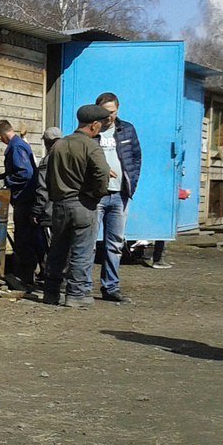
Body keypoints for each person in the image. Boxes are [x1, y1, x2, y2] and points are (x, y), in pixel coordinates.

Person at [43, 105, 111, 308]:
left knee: (57, 251)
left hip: (60, 205)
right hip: (83, 205)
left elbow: (48, 176)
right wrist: (96, 194)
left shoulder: (58, 145)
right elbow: (102, 172)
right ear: (95, 125)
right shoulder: (91, 146)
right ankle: (76, 295)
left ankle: (51, 293)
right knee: (81, 252)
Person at [93, 92, 142, 303]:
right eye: (104, 113)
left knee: (115, 244)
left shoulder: (127, 129)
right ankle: (83, 286)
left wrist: (131, 184)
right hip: (96, 196)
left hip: (120, 195)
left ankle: (111, 287)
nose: (108, 117)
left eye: (111, 112)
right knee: (89, 242)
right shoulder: (91, 130)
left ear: (118, 109)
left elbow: (136, 157)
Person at [0, 119, 41, 290]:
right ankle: (28, 275)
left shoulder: (16, 147)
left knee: (24, 239)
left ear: (0, 136)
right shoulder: (20, 144)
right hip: (25, 198)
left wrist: (5, 182)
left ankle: (25, 278)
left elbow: (25, 173)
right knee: (28, 238)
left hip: (25, 199)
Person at [28, 126, 64, 291]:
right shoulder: (68, 156)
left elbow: (43, 188)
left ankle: (52, 282)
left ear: (47, 143)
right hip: (67, 209)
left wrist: (36, 210)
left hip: (50, 212)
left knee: (50, 248)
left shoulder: (48, 160)